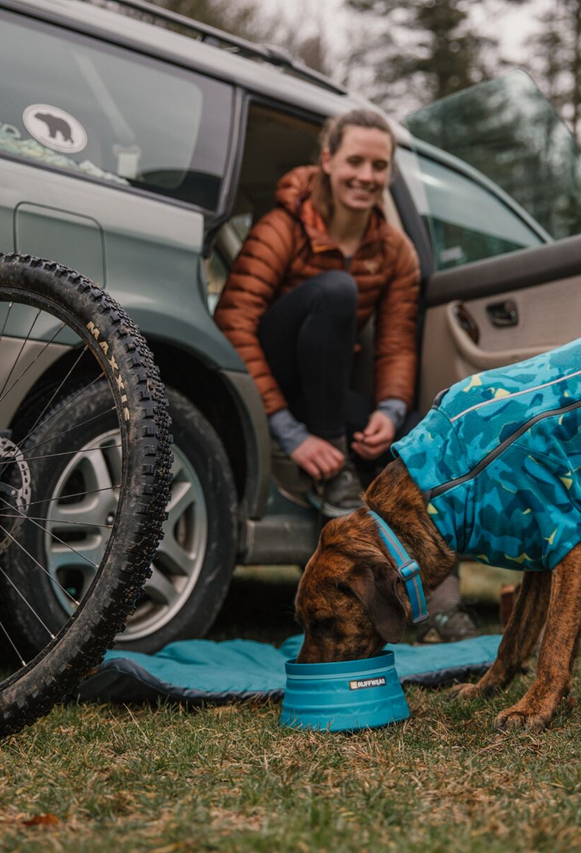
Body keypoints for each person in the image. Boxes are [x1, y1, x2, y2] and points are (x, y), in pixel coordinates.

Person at [213, 109, 477, 642]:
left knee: (405, 452)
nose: (366, 175)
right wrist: (292, 433)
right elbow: (233, 321)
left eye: (379, 165)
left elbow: (399, 342)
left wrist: (389, 411)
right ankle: (333, 475)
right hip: (269, 379)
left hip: (327, 393)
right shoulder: (282, 226)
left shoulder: (394, 250)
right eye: (355, 160)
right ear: (328, 161)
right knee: (336, 290)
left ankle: (437, 607)